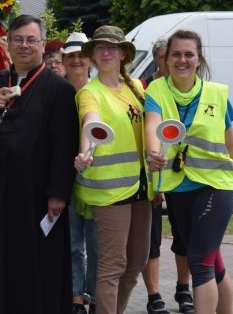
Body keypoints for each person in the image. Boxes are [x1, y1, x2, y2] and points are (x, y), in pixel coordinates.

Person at [0, 14, 78, 314]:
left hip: (34, 194)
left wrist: (58, 194)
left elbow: (65, 145)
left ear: (42, 44)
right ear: (8, 43)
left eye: (31, 40)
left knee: (31, 265)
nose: (24, 46)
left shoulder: (59, 89)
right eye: (18, 39)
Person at [144, 29, 233, 314]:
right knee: (213, 263)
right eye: (176, 54)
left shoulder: (216, 94)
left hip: (216, 186)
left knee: (199, 263)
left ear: (199, 59)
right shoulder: (156, 90)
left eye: (189, 54)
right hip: (178, 188)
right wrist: (153, 153)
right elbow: (152, 125)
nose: (182, 60)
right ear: (167, 59)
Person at [71, 25, 152, 314]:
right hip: (109, 191)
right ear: (92, 55)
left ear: (123, 54)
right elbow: (90, 123)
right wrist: (84, 152)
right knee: (112, 267)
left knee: (136, 263)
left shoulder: (137, 88)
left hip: (141, 189)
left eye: (113, 47)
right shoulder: (89, 93)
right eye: (101, 47)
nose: (106, 52)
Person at [139, 35, 194, 314]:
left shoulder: (193, 88)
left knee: (183, 234)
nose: (174, 62)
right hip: (156, 173)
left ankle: (184, 289)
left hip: (185, 174)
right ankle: (153, 295)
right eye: (165, 57)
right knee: (152, 238)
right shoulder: (146, 90)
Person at [61, 31, 98, 314]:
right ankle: (76, 297)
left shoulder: (99, 91)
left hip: (96, 176)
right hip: (64, 176)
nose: (76, 60)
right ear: (63, 60)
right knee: (73, 242)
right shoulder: (55, 91)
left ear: (90, 60)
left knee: (95, 243)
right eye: (70, 55)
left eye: (80, 55)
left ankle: (95, 294)